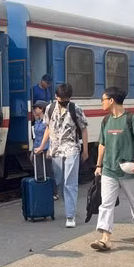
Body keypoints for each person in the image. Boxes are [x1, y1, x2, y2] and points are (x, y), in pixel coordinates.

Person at [90, 86, 134, 251]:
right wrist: (98, 165)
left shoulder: (132, 119)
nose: (101, 102)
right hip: (109, 170)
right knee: (106, 204)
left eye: (102, 99)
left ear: (111, 100)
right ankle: (105, 238)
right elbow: (102, 144)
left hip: (129, 170)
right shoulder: (106, 120)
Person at [35, 83, 89, 227]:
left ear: (70, 98)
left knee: (70, 183)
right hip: (55, 151)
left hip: (72, 149)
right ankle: (69, 207)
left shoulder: (75, 109)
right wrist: (42, 147)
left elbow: (83, 129)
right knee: (59, 181)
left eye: (66, 100)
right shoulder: (50, 109)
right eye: (61, 100)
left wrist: (85, 150)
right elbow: (48, 128)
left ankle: (70, 216)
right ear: (56, 97)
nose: (63, 103)